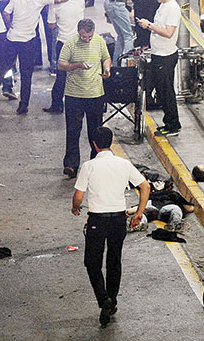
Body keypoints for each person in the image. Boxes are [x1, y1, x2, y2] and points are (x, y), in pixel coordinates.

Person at [71, 126, 150, 327]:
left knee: (92, 263)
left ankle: (103, 299)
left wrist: (76, 207)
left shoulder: (89, 166)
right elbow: (145, 186)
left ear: (94, 144)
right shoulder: (123, 164)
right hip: (118, 220)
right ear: (111, 141)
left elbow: (78, 195)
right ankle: (112, 302)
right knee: (114, 261)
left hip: (97, 220)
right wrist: (139, 213)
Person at [0, 0, 83, 114]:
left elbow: (6, 13)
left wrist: (9, 24)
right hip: (28, 42)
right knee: (26, 74)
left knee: (1, 69)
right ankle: (23, 106)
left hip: (12, 39)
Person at [58, 18, 111, 177]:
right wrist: (77, 65)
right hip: (74, 95)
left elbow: (106, 57)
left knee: (95, 132)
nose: (87, 40)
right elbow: (61, 65)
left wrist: (107, 69)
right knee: (73, 131)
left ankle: (96, 164)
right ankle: (71, 165)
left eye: (89, 37)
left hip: (95, 94)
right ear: (78, 32)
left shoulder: (99, 41)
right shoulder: (70, 43)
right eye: (83, 37)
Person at [136, 0, 181, 137]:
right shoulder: (163, 5)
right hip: (158, 53)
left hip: (165, 56)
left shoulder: (172, 9)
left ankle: (173, 124)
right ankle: (169, 121)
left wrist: (149, 26)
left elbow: (168, 32)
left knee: (166, 91)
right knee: (161, 91)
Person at [44, 0, 86, 114]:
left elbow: (51, 25)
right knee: (80, 73)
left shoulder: (54, 4)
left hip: (63, 42)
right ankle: (80, 105)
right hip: (79, 42)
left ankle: (57, 105)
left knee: (61, 76)